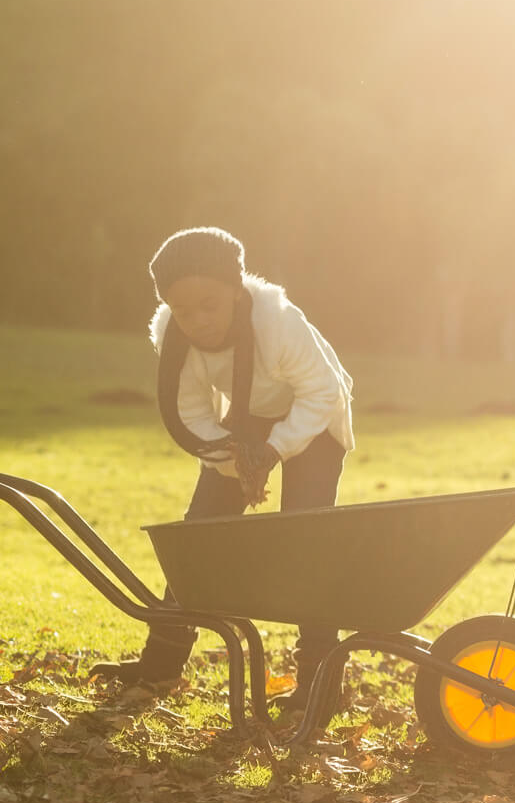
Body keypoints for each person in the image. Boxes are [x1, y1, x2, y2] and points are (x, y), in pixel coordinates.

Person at [93, 227, 356, 715]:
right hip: (246, 423)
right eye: (183, 310)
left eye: (209, 304)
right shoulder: (177, 340)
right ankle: (161, 664)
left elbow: (319, 393)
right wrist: (233, 458)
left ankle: (321, 681)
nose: (198, 321)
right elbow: (191, 413)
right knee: (200, 534)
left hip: (313, 419)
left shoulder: (279, 324)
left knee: (307, 537)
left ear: (236, 288)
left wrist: (274, 451)